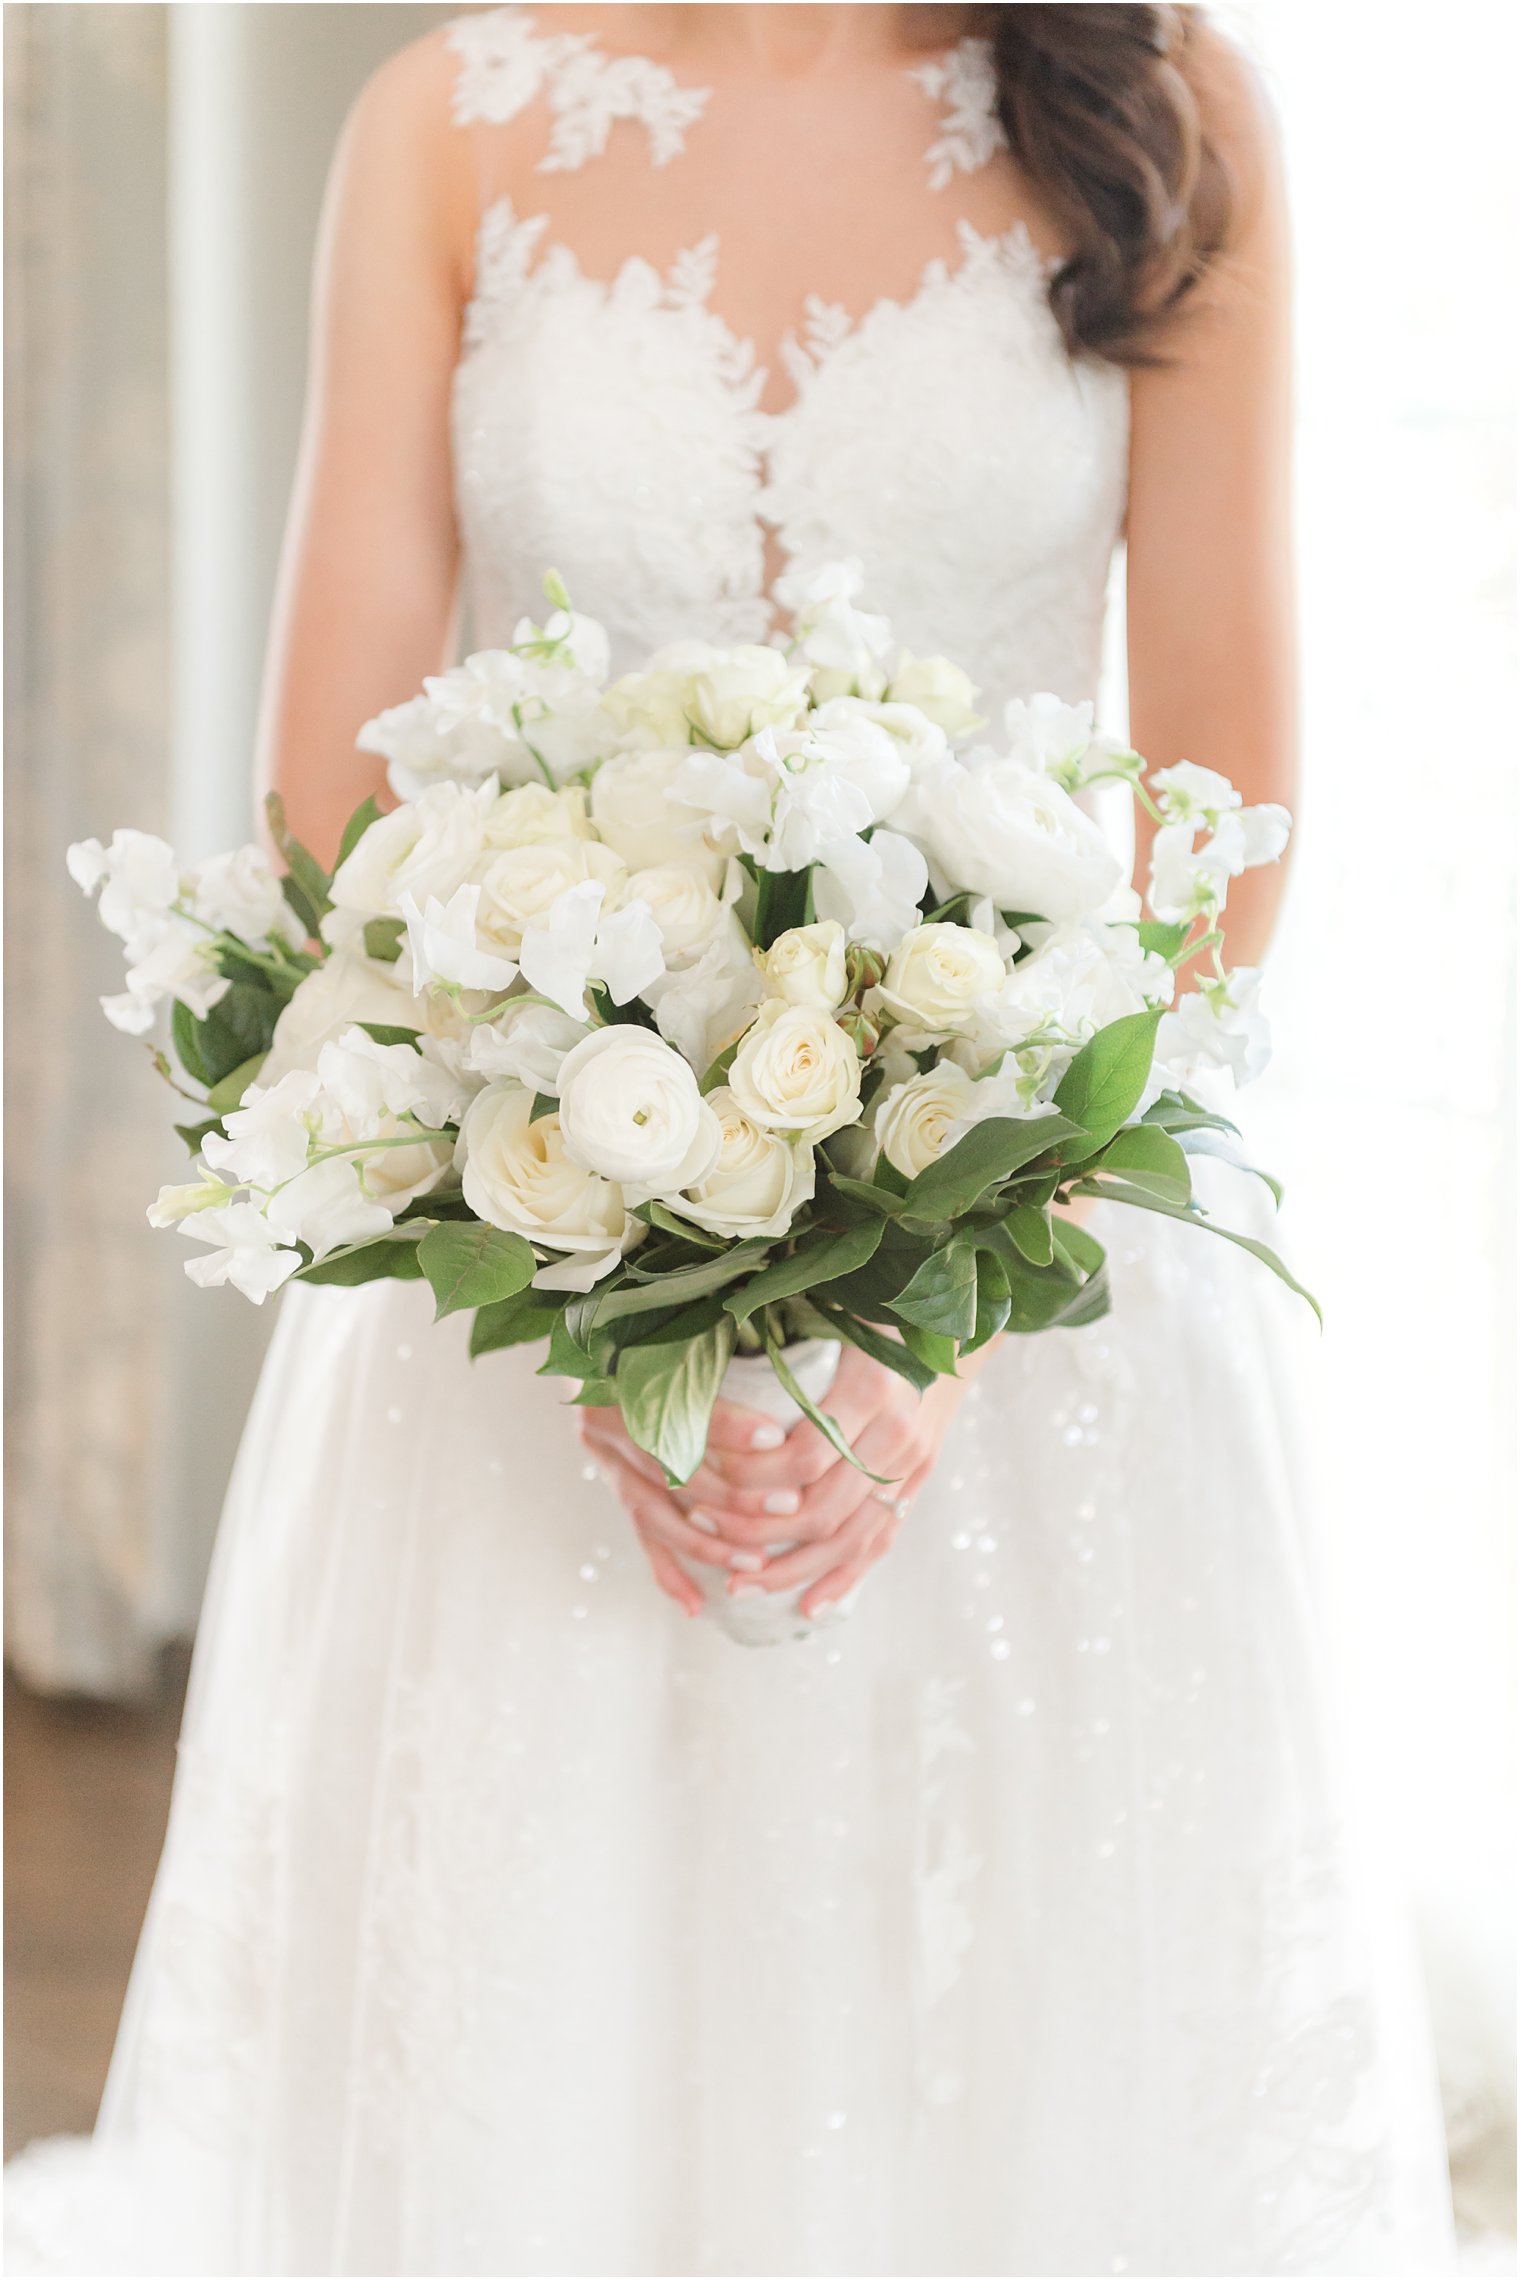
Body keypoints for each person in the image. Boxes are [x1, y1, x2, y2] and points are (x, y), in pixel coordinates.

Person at [7, 8, 1458, 2272]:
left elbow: (1218, 802)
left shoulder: (1169, 110)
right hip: (523, 1272)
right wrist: (593, 1261)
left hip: (1044, 1301)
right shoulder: (448, 127)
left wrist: (945, 1321)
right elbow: (332, 814)